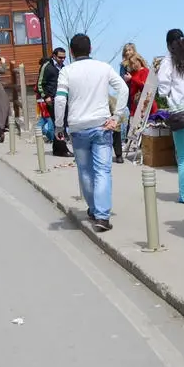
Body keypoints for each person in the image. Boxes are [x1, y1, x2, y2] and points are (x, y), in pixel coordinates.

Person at [54, 34, 128, 232]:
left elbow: (60, 100)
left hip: (78, 126)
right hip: (102, 125)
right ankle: (103, 217)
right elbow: (123, 88)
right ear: (91, 48)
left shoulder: (66, 71)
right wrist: (118, 115)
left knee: (85, 170)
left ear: (71, 51)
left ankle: (94, 210)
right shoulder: (104, 68)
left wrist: (59, 126)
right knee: (103, 170)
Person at [156, 30, 184, 204]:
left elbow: (163, 90)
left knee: (183, 156)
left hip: (179, 112)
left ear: (168, 44)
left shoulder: (168, 61)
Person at [39, 47, 70, 156]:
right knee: (58, 123)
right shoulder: (47, 67)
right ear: (54, 56)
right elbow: (40, 84)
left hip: (63, 99)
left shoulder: (64, 68)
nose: (62, 59)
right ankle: (63, 149)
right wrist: (46, 96)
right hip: (51, 100)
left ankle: (57, 149)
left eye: (64, 57)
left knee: (62, 122)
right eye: (60, 57)